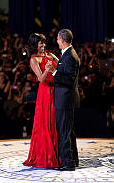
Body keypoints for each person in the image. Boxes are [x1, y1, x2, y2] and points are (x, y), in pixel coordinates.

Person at [22, 33, 60, 168]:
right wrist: (48, 70)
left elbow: (61, 63)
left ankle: (58, 153)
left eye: (44, 43)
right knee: (45, 122)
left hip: (56, 90)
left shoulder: (49, 55)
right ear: (34, 45)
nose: (43, 45)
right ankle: (47, 157)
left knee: (55, 122)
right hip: (45, 93)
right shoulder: (34, 59)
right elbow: (41, 79)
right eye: (40, 43)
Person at [52, 29, 80, 171]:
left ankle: (67, 163)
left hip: (65, 100)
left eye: (57, 39)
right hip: (66, 99)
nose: (56, 41)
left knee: (64, 131)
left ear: (63, 40)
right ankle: (73, 159)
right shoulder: (68, 54)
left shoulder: (70, 56)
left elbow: (68, 80)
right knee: (69, 131)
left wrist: (54, 71)